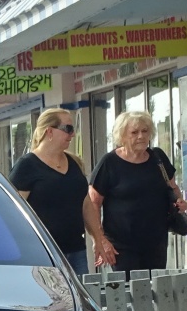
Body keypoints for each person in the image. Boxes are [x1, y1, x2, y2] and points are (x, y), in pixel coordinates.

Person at [8, 108, 112, 275]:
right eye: (68, 129)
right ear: (49, 131)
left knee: (79, 298)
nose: (72, 135)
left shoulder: (74, 162)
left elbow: (85, 204)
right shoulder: (27, 165)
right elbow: (13, 212)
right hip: (43, 253)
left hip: (75, 249)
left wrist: (97, 238)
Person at [89, 111, 187, 273]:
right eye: (134, 132)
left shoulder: (158, 157)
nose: (141, 136)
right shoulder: (109, 163)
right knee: (129, 293)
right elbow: (92, 203)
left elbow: (173, 187)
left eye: (145, 131)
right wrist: (100, 240)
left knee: (155, 291)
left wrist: (179, 201)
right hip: (121, 246)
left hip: (156, 242)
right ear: (122, 136)